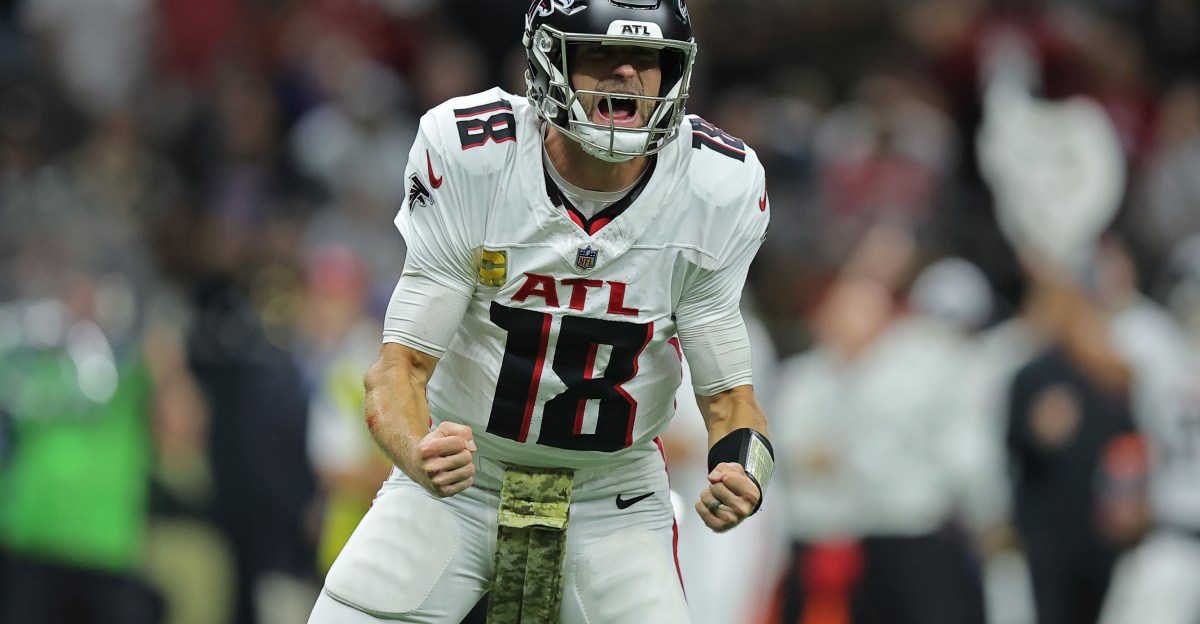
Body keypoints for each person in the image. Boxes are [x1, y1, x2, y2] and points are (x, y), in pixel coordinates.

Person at [307, 1, 774, 623]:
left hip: (611, 497)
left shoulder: (718, 186)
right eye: (602, 54)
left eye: (648, 59)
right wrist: (417, 450)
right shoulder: (474, 155)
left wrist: (744, 468)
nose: (627, 75)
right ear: (550, 61)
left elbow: (730, 402)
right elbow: (397, 370)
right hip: (463, 484)